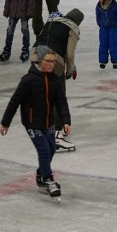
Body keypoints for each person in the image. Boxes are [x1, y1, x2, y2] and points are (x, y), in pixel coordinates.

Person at [0, 46, 71, 201]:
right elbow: (15, 101)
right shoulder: (28, 80)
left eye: (54, 62)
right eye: (49, 61)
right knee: (44, 150)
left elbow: (61, 101)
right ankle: (49, 180)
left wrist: (66, 120)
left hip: (48, 121)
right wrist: (6, 123)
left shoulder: (55, 79)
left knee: (51, 149)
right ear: (39, 61)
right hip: (32, 122)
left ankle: (41, 175)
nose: (52, 64)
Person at [31, 8, 83, 151]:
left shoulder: (52, 22)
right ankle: (56, 135)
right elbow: (70, 54)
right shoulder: (72, 28)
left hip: (35, 57)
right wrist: (70, 69)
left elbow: (46, 40)